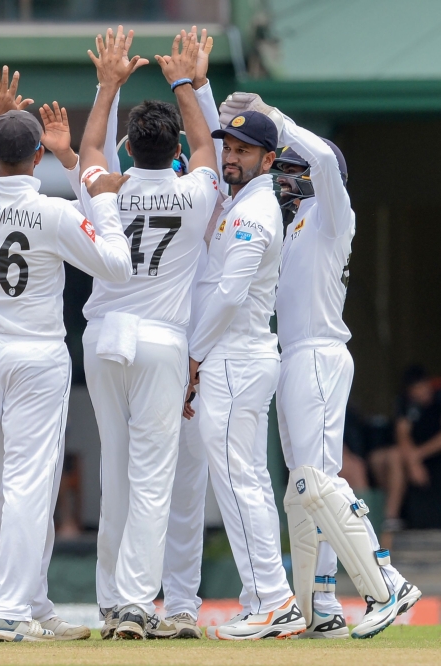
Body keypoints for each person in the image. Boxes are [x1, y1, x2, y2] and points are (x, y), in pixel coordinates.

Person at [0, 65, 132, 642]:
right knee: (28, 481)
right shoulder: (53, 210)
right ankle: (13, 609)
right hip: (36, 354)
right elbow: (116, 268)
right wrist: (102, 202)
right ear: (39, 159)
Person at [219, 92, 422, 638]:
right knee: (303, 488)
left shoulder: (334, 212)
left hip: (319, 352)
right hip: (293, 355)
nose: (285, 177)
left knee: (316, 480)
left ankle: (387, 583)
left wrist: (276, 119)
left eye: (291, 167)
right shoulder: (291, 222)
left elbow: (327, 162)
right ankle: (323, 601)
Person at [77, 28, 218, 640]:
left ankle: (112, 601)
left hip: (105, 336)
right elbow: (209, 146)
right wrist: (184, 81)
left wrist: (108, 85)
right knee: (153, 476)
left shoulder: (109, 188)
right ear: (174, 148)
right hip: (162, 339)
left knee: (117, 472)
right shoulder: (194, 192)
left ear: (131, 146)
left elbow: (87, 153)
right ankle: (134, 603)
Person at [184, 100, 303, 639]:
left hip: (237, 356)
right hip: (237, 356)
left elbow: (231, 293)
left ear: (268, 158)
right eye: (228, 148)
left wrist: (194, 355)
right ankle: (264, 596)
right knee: (244, 478)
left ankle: (274, 601)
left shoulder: (255, 211)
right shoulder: (242, 202)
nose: (230, 157)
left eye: (243, 150)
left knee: (239, 482)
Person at [395, 364, 441, 529]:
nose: (419, 392)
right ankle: (391, 521)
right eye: (415, 388)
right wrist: (413, 462)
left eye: (421, 386)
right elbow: (402, 432)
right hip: (417, 460)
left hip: (431, 455)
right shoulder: (407, 403)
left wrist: (417, 455)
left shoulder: (438, 396)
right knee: (395, 458)